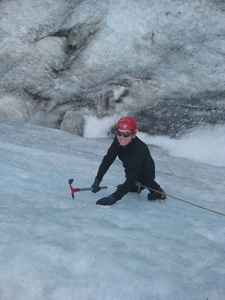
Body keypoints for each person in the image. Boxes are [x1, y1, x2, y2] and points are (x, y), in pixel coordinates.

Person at [91, 116, 166, 205]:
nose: (121, 137)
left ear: (133, 135)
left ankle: (157, 191)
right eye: (119, 133)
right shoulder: (118, 141)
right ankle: (133, 186)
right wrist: (97, 180)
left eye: (126, 134)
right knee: (130, 178)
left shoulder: (137, 150)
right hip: (130, 169)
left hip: (145, 173)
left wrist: (113, 197)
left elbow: (131, 179)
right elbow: (108, 159)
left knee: (144, 181)